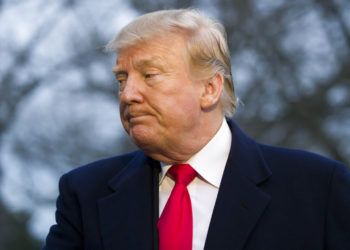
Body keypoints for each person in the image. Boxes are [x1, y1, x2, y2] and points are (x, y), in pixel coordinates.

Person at [43, 9, 350, 250]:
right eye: (122, 79)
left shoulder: (319, 189)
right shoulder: (84, 194)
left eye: (149, 75)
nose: (128, 94)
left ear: (210, 89)